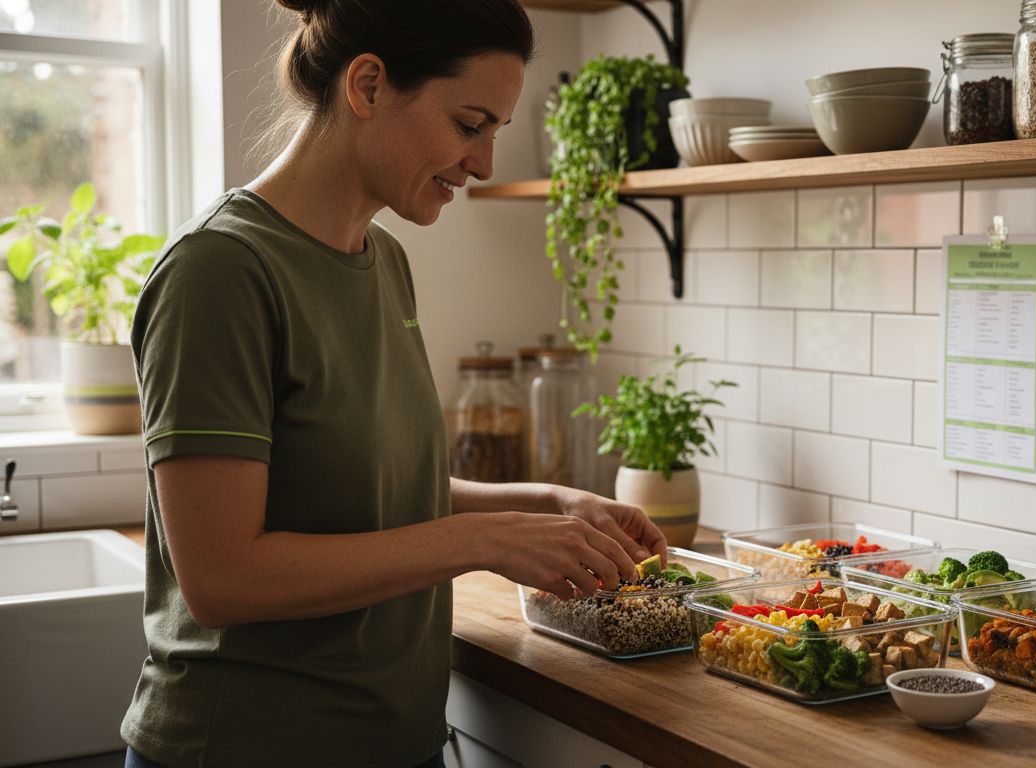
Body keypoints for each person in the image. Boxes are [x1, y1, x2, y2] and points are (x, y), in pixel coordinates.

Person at [120, 1, 666, 766]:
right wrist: (480, 540)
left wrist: (546, 504)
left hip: (398, 742)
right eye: (469, 123)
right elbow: (221, 578)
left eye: (495, 133)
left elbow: (371, 496)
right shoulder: (220, 271)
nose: (483, 164)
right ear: (369, 85)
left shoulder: (384, 262)